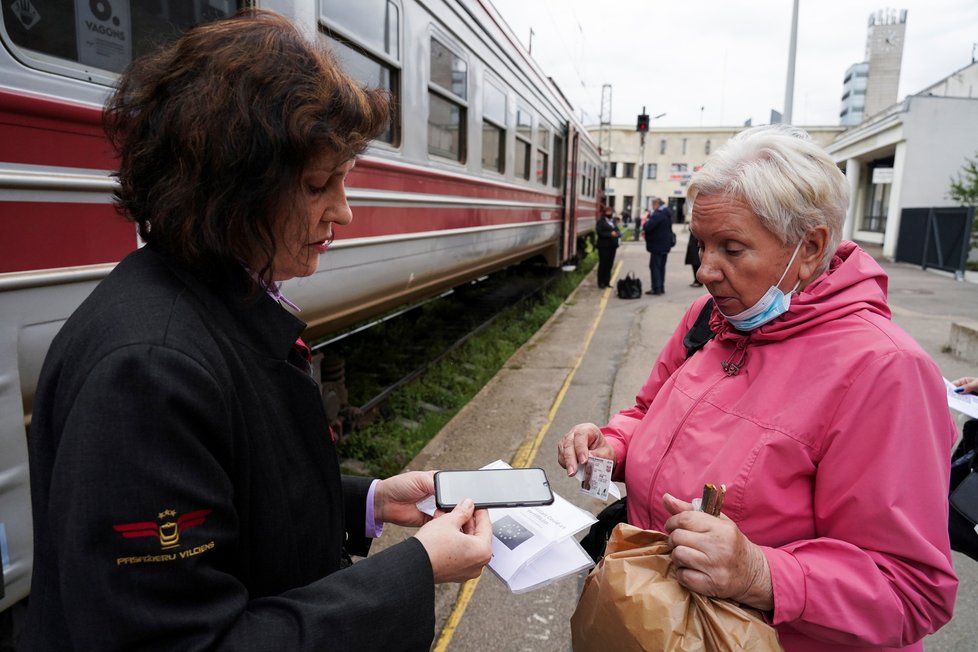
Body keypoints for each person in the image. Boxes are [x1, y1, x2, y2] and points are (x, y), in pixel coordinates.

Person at [22, 10, 492, 651]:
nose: (345, 211)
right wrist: (415, 570)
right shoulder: (148, 374)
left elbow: (238, 491)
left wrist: (370, 502)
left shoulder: (198, 300)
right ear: (232, 188)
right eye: (319, 184)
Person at [558, 124, 957, 651]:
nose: (705, 271)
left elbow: (913, 591)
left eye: (732, 248)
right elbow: (648, 411)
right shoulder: (710, 319)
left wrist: (762, 574)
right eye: (702, 245)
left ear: (810, 247)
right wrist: (615, 443)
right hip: (660, 622)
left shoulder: (885, 371)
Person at [642, 197, 673, 295]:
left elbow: (647, 226)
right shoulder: (667, 213)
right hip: (665, 245)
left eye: (653, 205)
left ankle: (656, 288)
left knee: (655, 267)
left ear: (656, 204)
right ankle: (661, 287)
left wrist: (647, 219)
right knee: (661, 267)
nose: (652, 207)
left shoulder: (658, 214)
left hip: (657, 245)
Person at [595, 207, 620, 289]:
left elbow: (617, 230)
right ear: (605, 212)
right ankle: (601, 282)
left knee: (609, 264)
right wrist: (610, 234)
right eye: (608, 211)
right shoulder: (600, 222)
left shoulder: (613, 221)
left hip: (612, 246)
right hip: (604, 246)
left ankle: (607, 282)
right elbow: (600, 233)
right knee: (603, 264)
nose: (610, 213)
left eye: (611, 211)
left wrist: (617, 234)